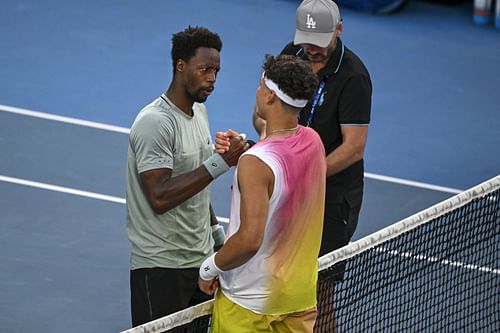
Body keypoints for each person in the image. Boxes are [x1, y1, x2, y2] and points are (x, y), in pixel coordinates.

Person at [126, 26, 246, 327]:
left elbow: (195, 183)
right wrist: (221, 162)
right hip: (160, 266)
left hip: (199, 263)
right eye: (205, 69)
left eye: (216, 71)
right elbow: (160, 196)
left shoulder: (199, 113)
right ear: (181, 65)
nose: (212, 79)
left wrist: (218, 240)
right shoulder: (156, 122)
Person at [198, 54, 326, 333]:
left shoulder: (255, 164)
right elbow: (282, 163)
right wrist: (250, 147)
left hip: (249, 306)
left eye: (260, 85)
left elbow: (249, 240)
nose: (256, 90)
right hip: (298, 298)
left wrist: (211, 267)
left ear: (269, 97)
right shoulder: (313, 142)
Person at [254, 0, 372, 262]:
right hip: (287, 185)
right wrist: (269, 144)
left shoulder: (354, 77)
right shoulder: (291, 55)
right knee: (278, 269)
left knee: (320, 283)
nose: (310, 49)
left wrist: (306, 175)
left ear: (339, 29)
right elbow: (261, 113)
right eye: (306, 40)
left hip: (330, 196)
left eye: (319, 41)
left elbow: (354, 147)